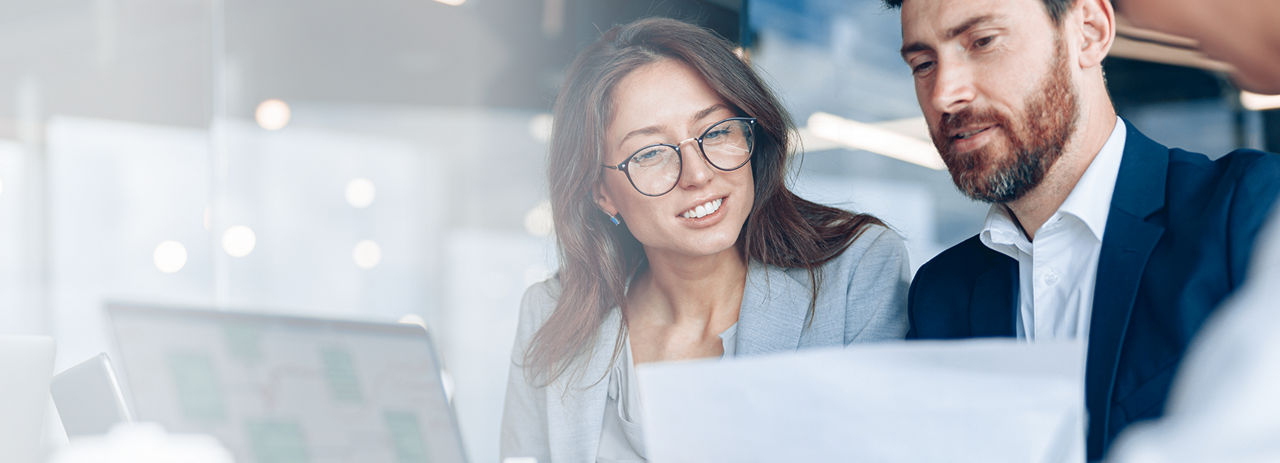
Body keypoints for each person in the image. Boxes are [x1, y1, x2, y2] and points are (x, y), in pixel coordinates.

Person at [878, 0, 1280, 460]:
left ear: (1088, 31)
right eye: (923, 64)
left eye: (982, 42)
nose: (944, 93)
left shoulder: (1248, 213)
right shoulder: (941, 296)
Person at [500, 17, 910, 462]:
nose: (698, 174)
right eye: (651, 153)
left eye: (716, 132)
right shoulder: (551, 312)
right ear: (601, 192)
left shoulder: (856, 274)